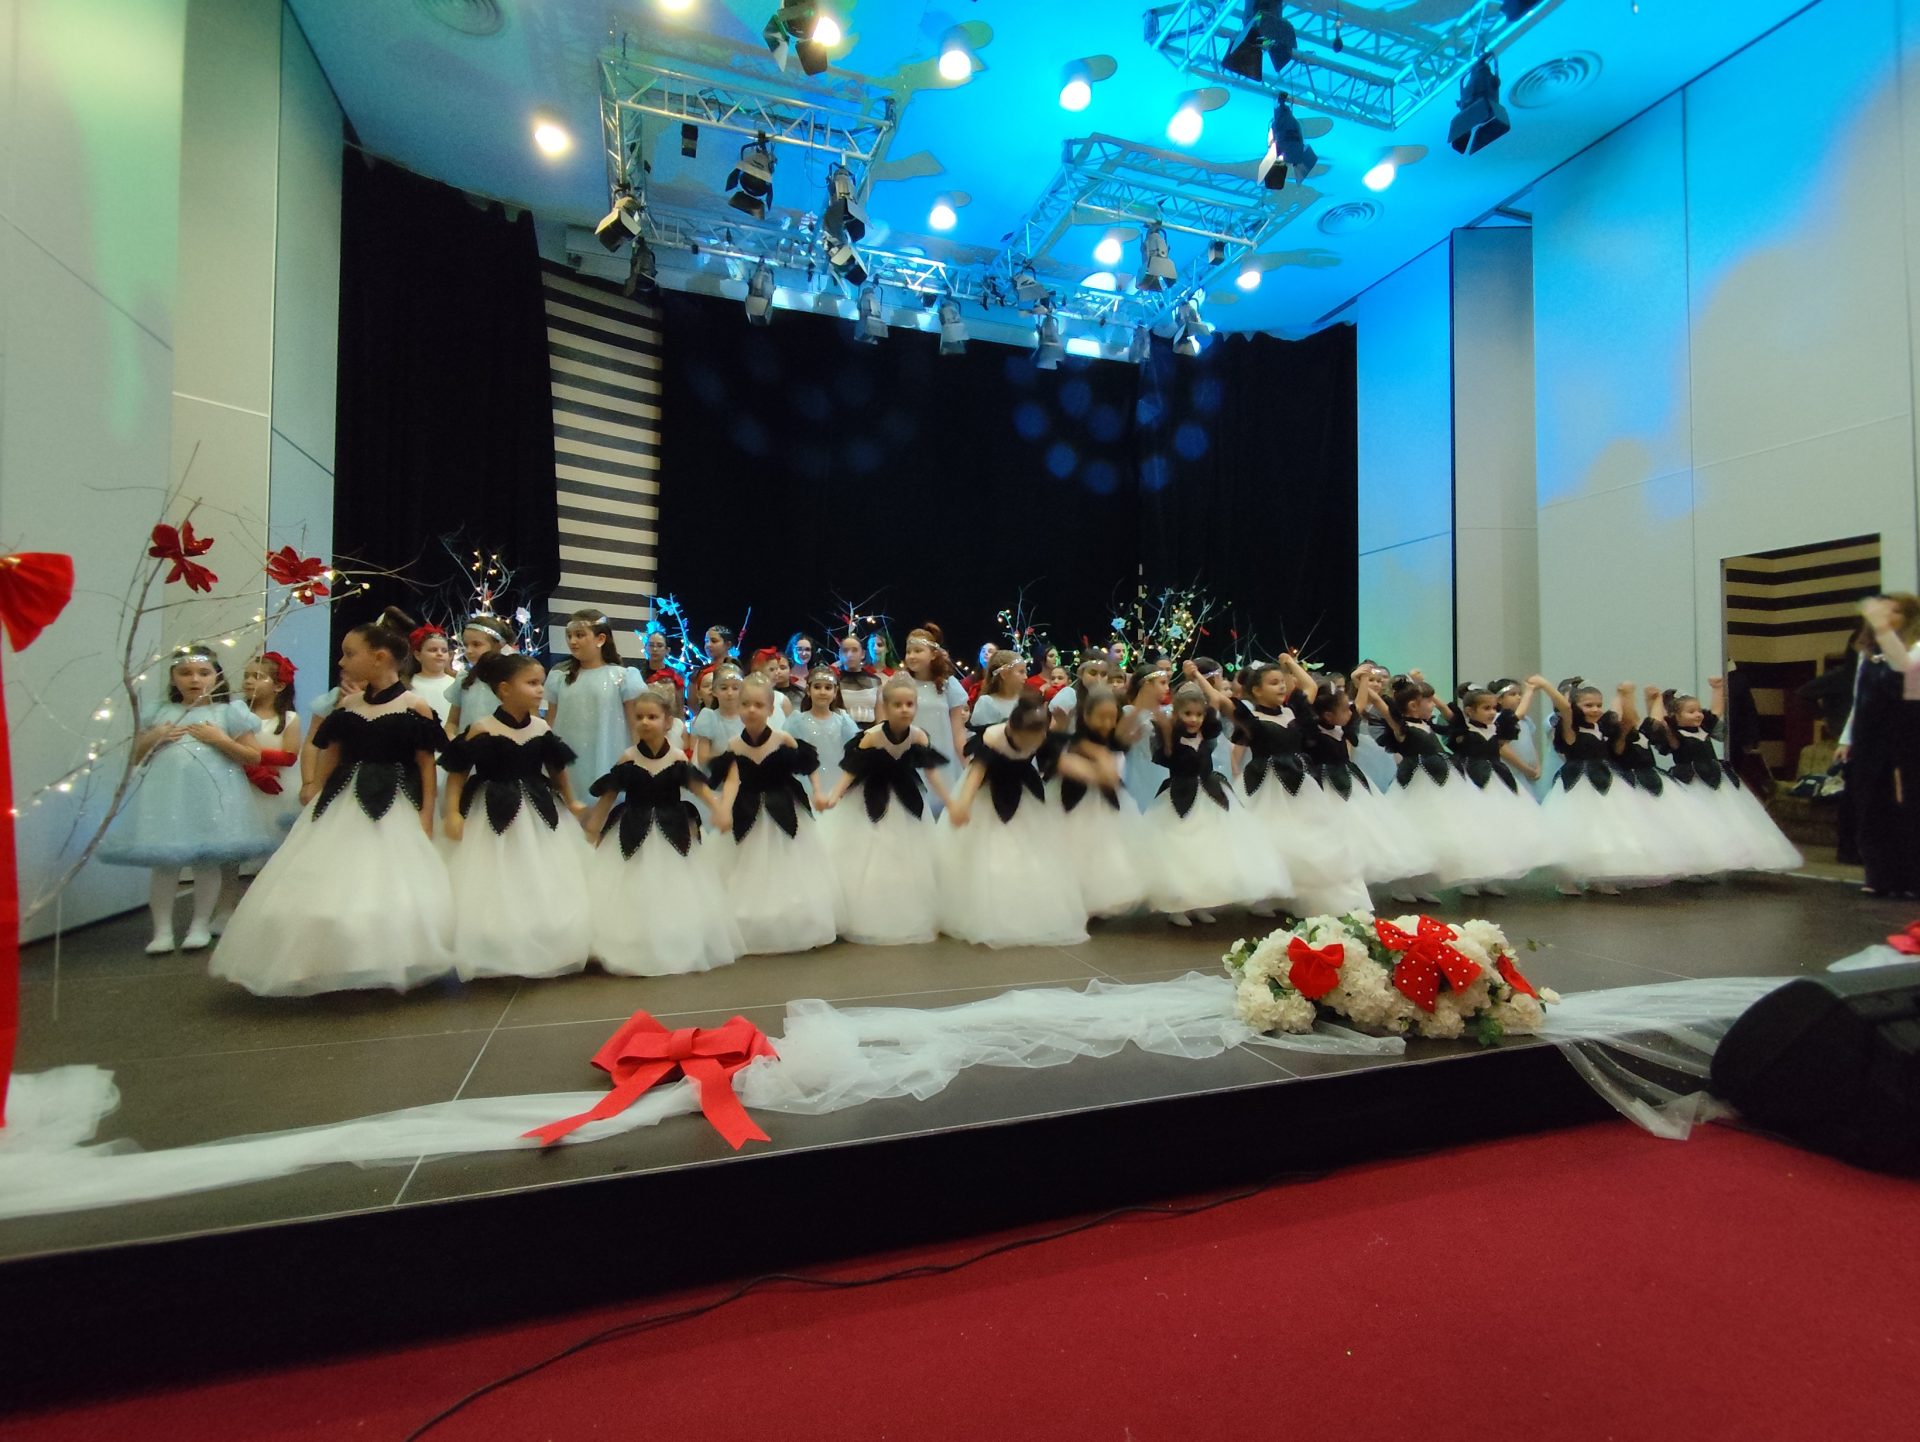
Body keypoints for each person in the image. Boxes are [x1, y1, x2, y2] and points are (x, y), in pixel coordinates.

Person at [211, 609, 455, 994]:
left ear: (380, 658)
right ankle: (321, 955)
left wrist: (426, 813)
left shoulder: (414, 706)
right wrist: (316, 792)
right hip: (343, 799)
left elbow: (426, 764)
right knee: (327, 876)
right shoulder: (346, 708)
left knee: (390, 879)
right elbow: (331, 754)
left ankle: (390, 953)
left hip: (395, 801)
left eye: (350, 654)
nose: (342, 662)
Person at [98, 646, 276, 953]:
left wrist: (220, 740)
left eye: (203, 673)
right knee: (166, 864)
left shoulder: (227, 712)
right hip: (169, 797)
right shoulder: (159, 712)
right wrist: (154, 737)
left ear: (216, 676)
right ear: (173, 677)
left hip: (213, 796)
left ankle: (200, 924)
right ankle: (162, 931)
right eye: (185, 673)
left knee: (207, 861)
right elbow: (136, 756)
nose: (195, 679)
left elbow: (253, 755)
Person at [441, 652, 593, 981]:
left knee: (540, 872)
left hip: (538, 808)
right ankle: (496, 942)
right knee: (495, 874)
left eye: (541, 683)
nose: (540, 690)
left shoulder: (541, 728)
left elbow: (557, 769)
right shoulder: (483, 728)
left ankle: (542, 936)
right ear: (505, 689)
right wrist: (452, 812)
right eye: (532, 683)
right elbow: (457, 773)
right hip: (491, 808)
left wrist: (571, 801)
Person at [583, 691, 742, 975]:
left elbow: (698, 788)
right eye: (639, 717)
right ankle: (633, 939)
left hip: (673, 829)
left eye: (652, 717)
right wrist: (594, 824)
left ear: (668, 721)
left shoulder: (677, 757)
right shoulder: (629, 757)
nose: (645, 722)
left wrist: (719, 809)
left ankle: (675, 936)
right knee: (633, 885)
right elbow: (609, 795)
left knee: (674, 885)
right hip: (633, 826)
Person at [938, 691, 1088, 947]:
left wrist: (1090, 772)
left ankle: (1028, 907)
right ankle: (990, 910)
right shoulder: (993, 738)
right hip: (989, 794)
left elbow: (1062, 762)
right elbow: (976, 773)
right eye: (1028, 740)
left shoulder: (1041, 737)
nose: (1034, 744)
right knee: (991, 851)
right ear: (1013, 729)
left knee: (1030, 851)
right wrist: (963, 804)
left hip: (1023, 791)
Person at [1140, 666, 1286, 927]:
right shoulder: (1170, 737)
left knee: (1208, 851)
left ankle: (1199, 903)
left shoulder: (1208, 734)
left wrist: (1200, 679)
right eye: (1187, 714)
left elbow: (1217, 703)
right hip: (1181, 795)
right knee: (1182, 850)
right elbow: (1163, 755)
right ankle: (1178, 905)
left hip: (1209, 793)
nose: (1194, 719)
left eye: (1198, 714)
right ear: (1177, 713)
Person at [815, 674, 952, 946]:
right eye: (898, 705)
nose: (904, 710)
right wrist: (834, 796)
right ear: (886, 708)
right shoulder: (872, 737)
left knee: (907, 852)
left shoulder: (918, 736)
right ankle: (865, 910)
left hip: (905, 795)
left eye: (910, 704)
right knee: (872, 849)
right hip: (870, 795)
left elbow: (932, 772)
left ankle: (906, 907)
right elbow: (851, 770)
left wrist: (950, 801)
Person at [709, 673, 838, 954]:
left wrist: (818, 792)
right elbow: (731, 781)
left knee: (789, 865)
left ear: (770, 709)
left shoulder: (782, 739)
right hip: (747, 810)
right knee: (747, 868)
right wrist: (723, 809)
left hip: (784, 807)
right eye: (745, 704)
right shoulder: (734, 745)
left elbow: (809, 766)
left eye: (758, 705)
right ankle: (748, 921)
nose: (751, 710)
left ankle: (793, 917)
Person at [1231, 657, 1370, 917]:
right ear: (1257, 690)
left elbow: (1309, 686)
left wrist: (1289, 663)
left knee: (1310, 836)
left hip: (1299, 781)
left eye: (1282, 682)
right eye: (1274, 683)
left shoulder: (1292, 711)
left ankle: (1303, 894)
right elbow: (1222, 704)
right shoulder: (1252, 718)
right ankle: (1267, 895)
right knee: (1271, 836)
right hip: (1267, 785)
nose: (1281, 686)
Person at [1533, 676, 1673, 896]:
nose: (1595, 709)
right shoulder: (1570, 728)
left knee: (1606, 829)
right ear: (1575, 707)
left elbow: (1624, 720)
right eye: (1588, 705)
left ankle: (1597, 877)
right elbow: (1564, 708)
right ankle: (1567, 879)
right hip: (1578, 783)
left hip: (1604, 781)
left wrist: (1623, 695)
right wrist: (1545, 686)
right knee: (1578, 829)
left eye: (1598, 705)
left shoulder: (1601, 728)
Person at [1646, 680, 1802, 874]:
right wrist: (1655, 701)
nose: (1698, 714)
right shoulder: (1674, 736)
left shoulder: (1704, 729)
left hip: (1716, 781)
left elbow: (1717, 710)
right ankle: (1697, 859)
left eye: (1698, 710)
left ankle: (1733, 856)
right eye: (1691, 712)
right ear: (1675, 716)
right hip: (1691, 782)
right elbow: (1657, 723)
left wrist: (1718, 688)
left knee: (1728, 818)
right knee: (1698, 821)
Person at [1303, 678, 1434, 900]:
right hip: (1323, 785)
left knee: (1360, 832)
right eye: (1345, 709)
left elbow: (1359, 704)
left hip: (1349, 782)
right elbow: (1306, 701)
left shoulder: (1342, 728)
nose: (1351, 712)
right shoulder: (1311, 731)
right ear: (1327, 715)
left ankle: (1355, 883)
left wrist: (1362, 680)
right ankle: (1335, 884)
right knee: (1334, 834)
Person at [1839, 594, 1920, 896]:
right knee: (1870, 806)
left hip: (1906, 734)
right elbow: (1858, 700)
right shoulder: (1869, 654)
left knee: (1906, 806)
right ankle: (1879, 876)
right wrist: (1846, 739)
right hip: (1869, 736)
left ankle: (1910, 879)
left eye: (1893, 611)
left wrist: (1883, 630)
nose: (1886, 617)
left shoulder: (1916, 648)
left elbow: (1906, 675)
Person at [1049, 684, 1152, 919]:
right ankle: (1076, 900)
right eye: (1101, 717)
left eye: (1112, 718)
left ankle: (1095, 900)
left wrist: (1138, 710)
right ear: (1086, 716)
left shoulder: (1112, 738)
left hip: (1106, 802)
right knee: (1078, 851)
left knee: (1105, 853)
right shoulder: (1078, 741)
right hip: (1079, 802)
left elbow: (1119, 743)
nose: (1107, 723)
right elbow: (1102, 767)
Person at [1441, 685, 1554, 895]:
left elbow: (1518, 715)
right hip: (1470, 780)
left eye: (1494, 708)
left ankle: (1489, 876)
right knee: (1472, 828)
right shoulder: (1464, 730)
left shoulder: (1497, 729)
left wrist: (1530, 692)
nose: (1492, 712)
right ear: (1469, 711)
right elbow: (1447, 712)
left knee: (1496, 828)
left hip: (1496, 778)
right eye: (1486, 708)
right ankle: (1469, 878)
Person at [544, 610, 644, 803]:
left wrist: (641, 760)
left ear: (600, 639)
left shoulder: (622, 677)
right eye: (569, 636)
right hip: (569, 758)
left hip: (608, 753)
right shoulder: (560, 678)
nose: (573, 641)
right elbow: (551, 721)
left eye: (580, 635)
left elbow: (634, 725)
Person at [235, 651, 303, 878]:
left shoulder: (290, 719)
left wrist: (248, 755)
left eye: (257, 677)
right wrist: (249, 766)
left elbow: (289, 755)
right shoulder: (236, 714)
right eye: (246, 676)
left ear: (279, 686)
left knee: (276, 839)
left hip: (279, 787)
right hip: (243, 786)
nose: (248, 681)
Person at [900, 626, 968, 806]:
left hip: (943, 756)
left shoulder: (948, 685)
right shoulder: (902, 684)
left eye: (918, 651)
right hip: (910, 756)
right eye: (908, 651)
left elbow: (958, 730)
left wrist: (967, 762)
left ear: (933, 654)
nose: (911, 656)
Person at [782, 665, 859, 810]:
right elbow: (786, 753)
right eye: (817, 687)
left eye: (828, 688)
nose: (822, 692)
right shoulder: (797, 721)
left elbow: (855, 754)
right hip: (806, 785)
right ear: (808, 690)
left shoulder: (843, 721)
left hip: (836, 785)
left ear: (835, 692)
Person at [443, 614, 515, 736]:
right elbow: (452, 722)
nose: (469, 651)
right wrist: (451, 739)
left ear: (499, 645)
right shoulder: (464, 679)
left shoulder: (514, 681)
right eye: (466, 645)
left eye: (476, 644)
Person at [692, 662, 747, 767]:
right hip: (717, 773)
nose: (730, 693)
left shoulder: (748, 717)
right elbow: (703, 759)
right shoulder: (709, 718)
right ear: (714, 691)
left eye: (735, 688)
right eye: (724, 688)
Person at [968, 649, 1030, 729]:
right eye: (1021, 672)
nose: (1026, 677)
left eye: (1026, 672)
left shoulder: (1025, 699)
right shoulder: (987, 703)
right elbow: (983, 734)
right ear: (1004, 674)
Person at [408, 626, 458, 721]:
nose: (440, 654)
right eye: (433, 650)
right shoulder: (409, 685)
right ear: (418, 655)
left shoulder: (456, 684)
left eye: (444, 651)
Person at [836, 632, 884, 724]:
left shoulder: (875, 681)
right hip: (844, 731)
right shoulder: (835, 682)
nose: (850, 654)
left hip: (871, 731)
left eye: (854, 650)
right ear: (840, 654)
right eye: (845, 650)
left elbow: (880, 716)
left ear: (862, 654)